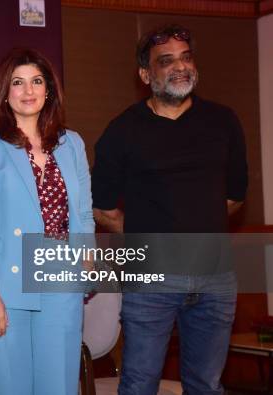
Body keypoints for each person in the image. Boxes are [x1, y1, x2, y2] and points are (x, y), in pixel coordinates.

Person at [91, 24, 248, 395]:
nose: (180, 67)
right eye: (166, 61)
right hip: (150, 279)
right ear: (146, 74)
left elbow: (234, 197)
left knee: (207, 385)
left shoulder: (224, 121)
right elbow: (103, 209)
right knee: (139, 384)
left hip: (216, 278)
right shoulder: (121, 131)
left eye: (186, 57)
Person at [0, 48, 95, 394]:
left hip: (60, 279)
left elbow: (82, 214)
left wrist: (86, 267)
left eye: (37, 81)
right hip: (2, 283)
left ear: (48, 89)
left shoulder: (71, 143)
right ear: (5, 93)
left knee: (59, 387)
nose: (28, 90)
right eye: (17, 83)